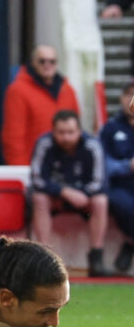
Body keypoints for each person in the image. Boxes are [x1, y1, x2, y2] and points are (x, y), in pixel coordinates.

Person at [29, 110, 110, 277]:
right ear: (53, 131)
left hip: (84, 198)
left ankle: (96, 257)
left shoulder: (92, 145)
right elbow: (37, 179)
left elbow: (99, 181)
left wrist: (82, 194)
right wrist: (64, 192)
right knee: (39, 198)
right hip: (54, 196)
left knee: (101, 201)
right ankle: (45, 258)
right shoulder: (44, 144)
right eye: (61, 133)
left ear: (79, 131)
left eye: (70, 132)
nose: (66, 137)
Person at [2, 45, 80, 166]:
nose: (47, 64)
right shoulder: (18, 90)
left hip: (65, 166)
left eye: (52, 61)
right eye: (42, 61)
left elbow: (77, 130)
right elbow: (13, 136)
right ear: (33, 62)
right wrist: (19, 169)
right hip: (33, 166)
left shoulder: (67, 90)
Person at [99, 80, 134, 274]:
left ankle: (130, 243)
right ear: (122, 98)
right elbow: (102, 163)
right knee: (122, 203)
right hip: (121, 184)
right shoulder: (110, 128)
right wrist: (127, 166)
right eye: (129, 94)